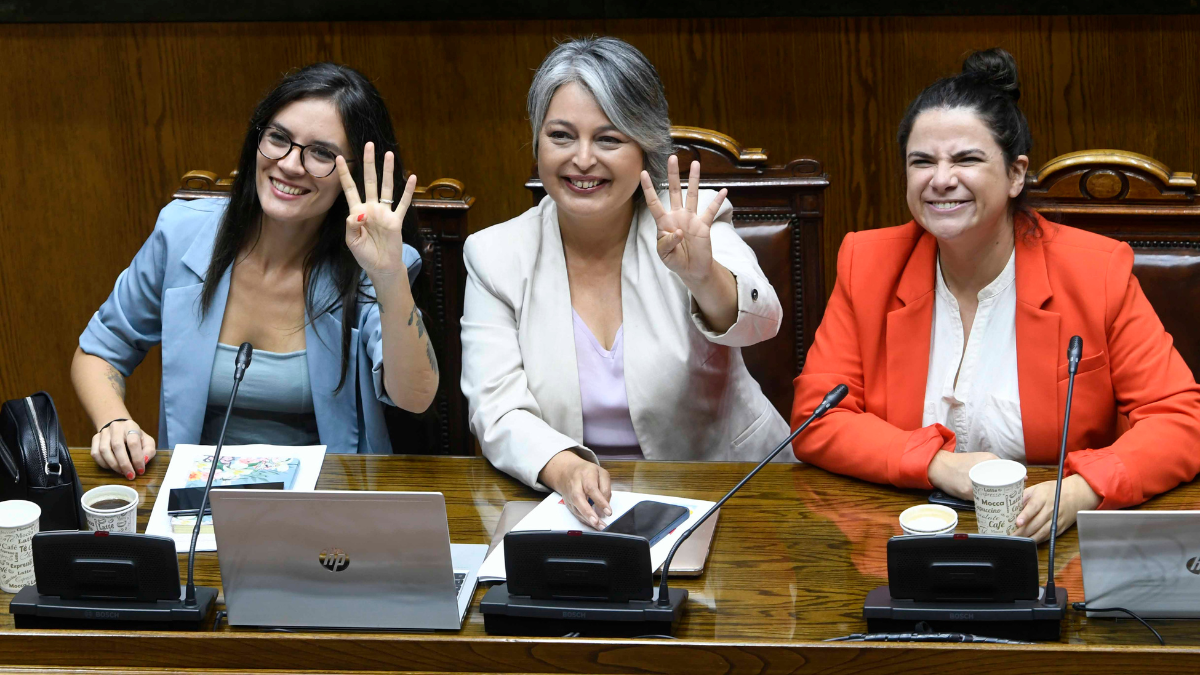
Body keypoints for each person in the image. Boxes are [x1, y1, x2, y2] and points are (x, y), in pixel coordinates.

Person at [791, 48, 1200, 543]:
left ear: (1015, 174)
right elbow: (817, 419)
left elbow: (1181, 420)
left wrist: (1084, 490)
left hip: (1055, 543)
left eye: (966, 159)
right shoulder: (867, 264)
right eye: (922, 162)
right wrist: (939, 465)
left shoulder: (1096, 271)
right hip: (904, 538)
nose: (941, 179)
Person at [461, 37, 787, 528]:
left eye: (609, 139)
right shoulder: (495, 255)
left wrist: (703, 275)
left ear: (645, 149)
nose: (583, 159)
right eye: (561, 136)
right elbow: (496, 409)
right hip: (572, 507)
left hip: (728, 489)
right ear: (536, 143)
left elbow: (762, 324)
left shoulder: (689, 220)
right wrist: (564, 467)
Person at [73, 63, 439, 479]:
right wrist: (114, 422)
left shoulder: (374, 262)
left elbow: (414, 397)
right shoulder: (180, 234)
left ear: (352, 175)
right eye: (279, 138)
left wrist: (387, 274)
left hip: (329, 510)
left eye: (322, 153)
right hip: (197, 507)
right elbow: (99, 350)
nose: (289, 164)